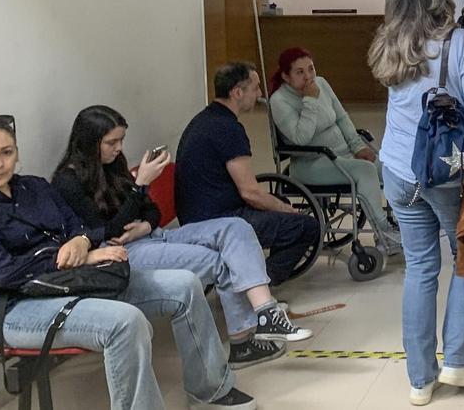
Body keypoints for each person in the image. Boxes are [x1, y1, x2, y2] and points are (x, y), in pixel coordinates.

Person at [0, 116, 257, 409]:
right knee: (125, 323)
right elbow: (3, 273)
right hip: (14, 308)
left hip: (73, 281)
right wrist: (75, 256)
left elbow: (80, 227)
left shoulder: (35, 187)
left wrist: (81, 242)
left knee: (185, 285)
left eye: (7, 152)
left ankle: (211, 387)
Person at [52, 105, 311, 371]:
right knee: (219, 261)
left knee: (237, 227)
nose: (118, 148)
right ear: (89, 141)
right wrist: (140, 185)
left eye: (121, 140)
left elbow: (151, 210)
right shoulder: (67, 181)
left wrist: (145, 224)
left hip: (151, 236)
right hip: (119, 253)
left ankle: (266, 313)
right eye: (111, 142)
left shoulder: (111, 166)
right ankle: (243, 344)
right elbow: (105, 232)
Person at [368, 0, 464, 406]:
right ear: (436, 1)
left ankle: (420, 379)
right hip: (445, 171)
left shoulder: (390, 42)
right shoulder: (456, 41)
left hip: (398, 169)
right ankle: (458, 360)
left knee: (420, 269)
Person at [175, 63, 321, 286]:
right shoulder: (228, 130)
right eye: (256, 88)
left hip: (198, 212)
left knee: (279, 204)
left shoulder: (205, 119)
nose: (260, 94)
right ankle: (258, 285)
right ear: (237, 93)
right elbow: (250, 193)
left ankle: (251, 271)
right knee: (306, 226)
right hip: (217, 220)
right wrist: (287, 210)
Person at [268, 48, 402, 251]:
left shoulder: (321, 82)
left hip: (342, 155)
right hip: (311, 162)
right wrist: (310, 100)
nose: (308, 76)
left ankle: (403, 223)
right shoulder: (279, 101)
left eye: (311, 69)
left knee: (391, 168)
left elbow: (341, 117)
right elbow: (300, 139)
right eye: (300, 72)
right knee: (364, 171)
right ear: (286, 76)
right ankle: (383, 230)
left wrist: (358, 146)